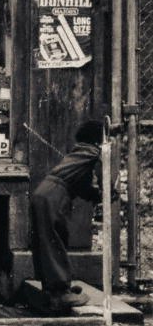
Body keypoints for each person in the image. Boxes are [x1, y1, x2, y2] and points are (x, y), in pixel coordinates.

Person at [30, 120, 105, 314]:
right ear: (98, 140)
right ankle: (60, 292)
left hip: (45, 194)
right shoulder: (89, 152)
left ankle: (54, 291)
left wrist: (99, 194)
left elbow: (84, 187)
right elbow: (101, 163)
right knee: (54, 241)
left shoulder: (78, 156)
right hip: (54, 195)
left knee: (50, 241)